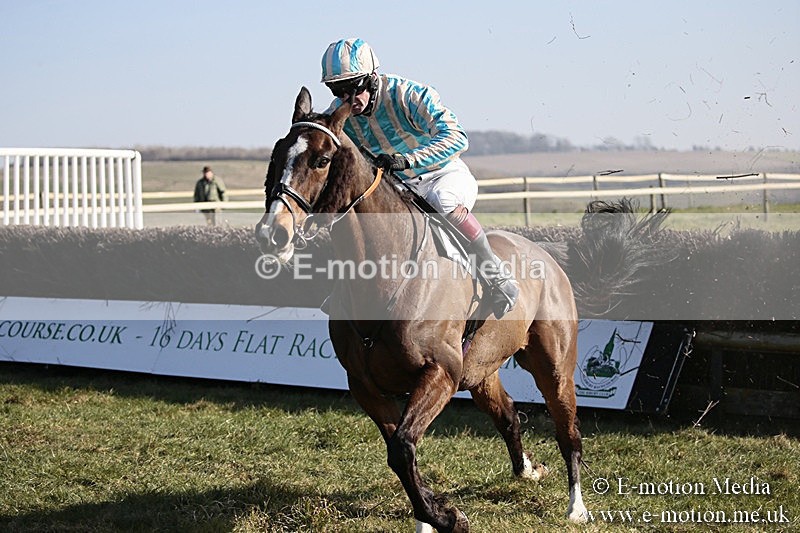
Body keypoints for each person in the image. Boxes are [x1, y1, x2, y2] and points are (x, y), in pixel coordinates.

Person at [321, 38, 519, 318]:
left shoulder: (408, 94)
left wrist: (408, 160)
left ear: (372, 78)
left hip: (442, 174)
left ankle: (496, 275)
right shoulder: (339, 113)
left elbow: (456, 137)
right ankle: (346, 286)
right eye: (336, 90)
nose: (346, 100)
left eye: (352, 89)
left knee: (442, 200)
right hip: (398, 188)